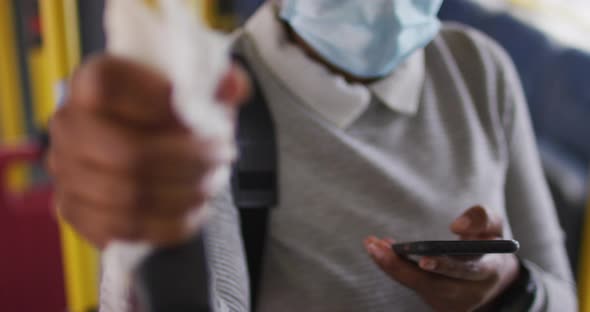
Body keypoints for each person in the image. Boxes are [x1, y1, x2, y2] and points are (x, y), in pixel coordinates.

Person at [48, 0, 578, 311]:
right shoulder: (214, 96)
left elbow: (561, 296)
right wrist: (148, 247)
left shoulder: (479, 68)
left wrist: (505, 287)